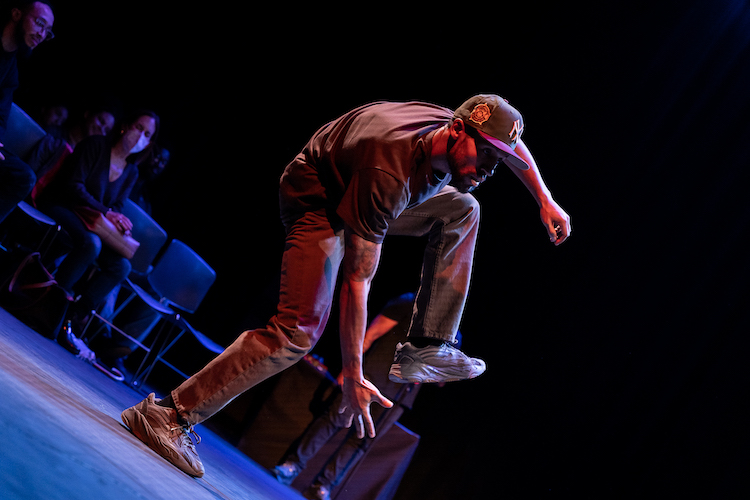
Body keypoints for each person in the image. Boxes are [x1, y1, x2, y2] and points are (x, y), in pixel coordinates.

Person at [121, 94, 572, 478]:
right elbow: (357, 281)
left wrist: (545, 200)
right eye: (488, 157)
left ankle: (427, 345)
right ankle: (167, 414)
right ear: (456, 132)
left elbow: (517, 149)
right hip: (319, 199)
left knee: (465, 209)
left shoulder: (461, 126)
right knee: (296, 331)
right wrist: (353, 376)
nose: (492, 169)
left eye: (498, 159)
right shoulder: (389, 170)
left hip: (360, 183)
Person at [271, 292, 442, 500]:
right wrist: (351, 368)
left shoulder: (451, 333)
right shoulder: (409, 303)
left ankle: (323, 486)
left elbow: (438, 378)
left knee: (362, 441)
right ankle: (292, 466)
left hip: (398, 396)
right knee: (334, 421)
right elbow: (370, 335)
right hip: (371, 377)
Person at [36, 110, 159, 337]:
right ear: (125, 126)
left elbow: (118, 206)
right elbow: (73, 185)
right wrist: (106, 212)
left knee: (122, 266)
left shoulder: (131, 171)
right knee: (91, 244)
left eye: (147, 134)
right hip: (63, 206)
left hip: (93, 223)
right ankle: (48, 304)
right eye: (139, 128)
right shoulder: (96, 145)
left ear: (149, 143)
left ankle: (71, 318)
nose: (140, 135)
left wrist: (120, 221)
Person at [0, 0, 55, 228]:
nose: (42, 34)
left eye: (47, 31)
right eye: (39, 23)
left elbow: (1, 117)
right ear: (16, 14)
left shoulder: (11, 71)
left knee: (24, 176)